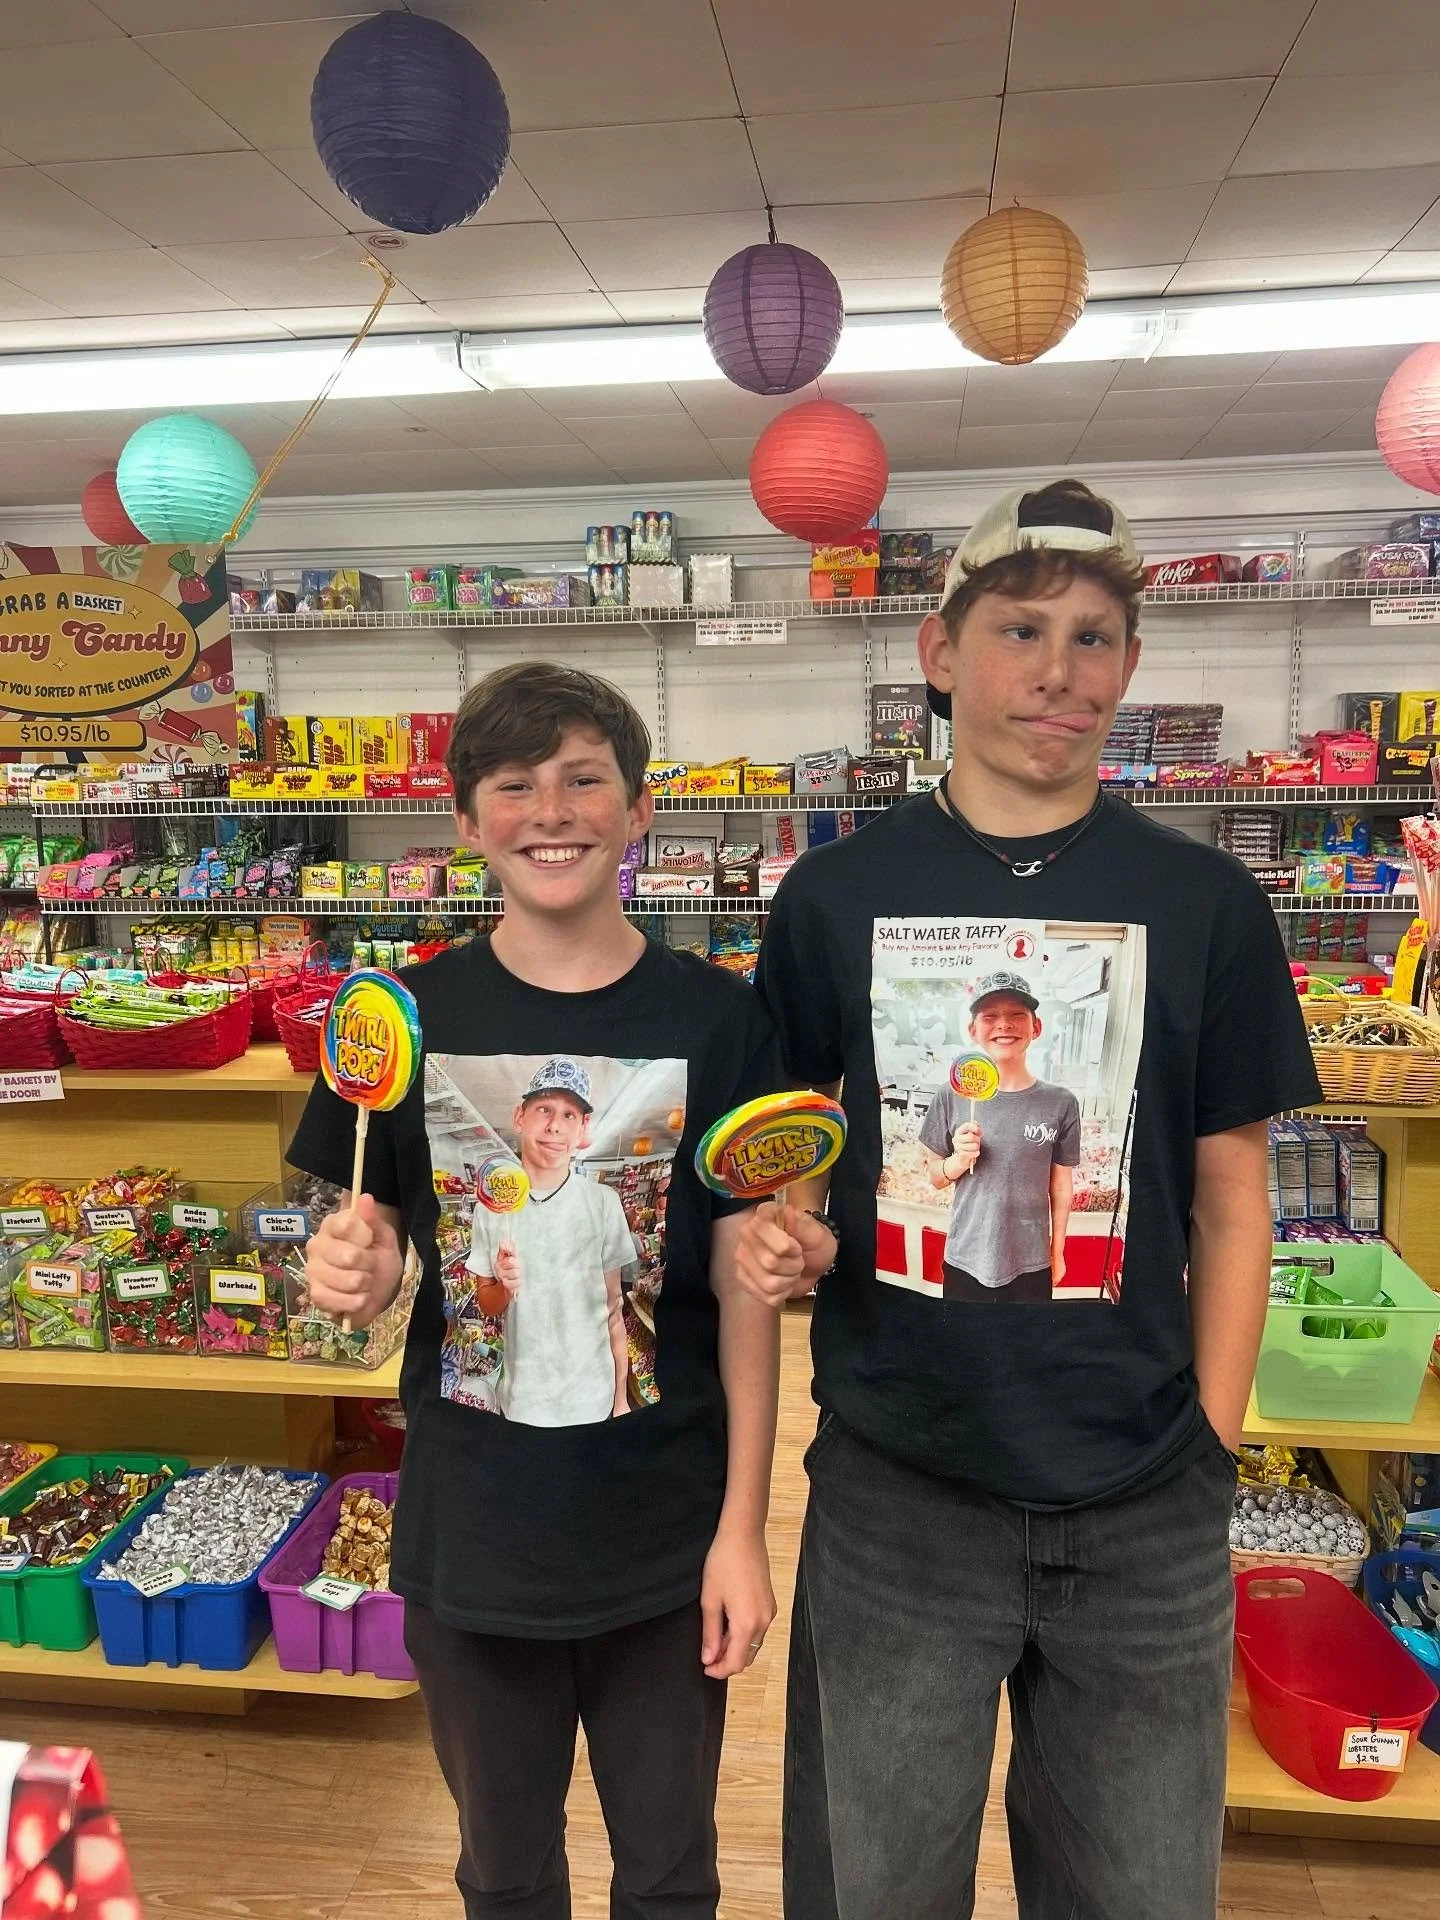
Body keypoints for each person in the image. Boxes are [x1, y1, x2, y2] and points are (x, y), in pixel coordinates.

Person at [736, 479, 1322, 1920]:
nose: (1059, 671)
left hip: (1145, 1498)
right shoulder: (832, 898)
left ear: (1131, 664)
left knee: (1142, 1893)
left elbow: (1233, 1194)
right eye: (1020, 631)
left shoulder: (1208, 903)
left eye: (1093, 637)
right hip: (899, 1490)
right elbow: (792, 1148)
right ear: (941, 654)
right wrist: (791, 1231)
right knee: (875, 1889)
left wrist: (1212, 1443)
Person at [289, 661, 783, 1920]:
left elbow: (742, 1298)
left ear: (640, 808)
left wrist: (743, 1532)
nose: (551, 812)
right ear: (466, 819)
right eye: (513, 785)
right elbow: (375, 1241)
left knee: (669, 1876)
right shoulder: (402, 1013)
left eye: (583, 780)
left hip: (665, 1540)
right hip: (474, 1538)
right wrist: (353, 1270)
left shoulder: (721, 1021)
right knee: (503, 1875)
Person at [468, 1055, 637, 1424]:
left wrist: (620, 1399)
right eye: (544, 1109)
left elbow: (613, 1310)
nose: (555, 1126)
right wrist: (505, 1286)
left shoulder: (603, 1203)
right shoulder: (493, 1207)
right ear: (520, 1117)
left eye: (569, 1115)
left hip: (592, 1400)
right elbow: (487, 1306)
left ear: (582, 1128)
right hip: (524, 1403)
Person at [919, 971, 1080, 1304]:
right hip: (965, 1257)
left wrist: (1057, 1250)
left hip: (1032, 1262)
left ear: (1036, 1027)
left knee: (1026, 1339)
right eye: (989, 1016)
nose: (1004, 1024)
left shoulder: (1061, 1102)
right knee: (966, 1338)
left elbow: (1061, 1186)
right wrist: (957, 1161)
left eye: (1017, 1015)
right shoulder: (950, 1095)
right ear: (972, 1030)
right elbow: (935, 1177)